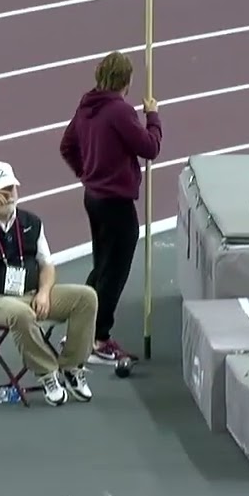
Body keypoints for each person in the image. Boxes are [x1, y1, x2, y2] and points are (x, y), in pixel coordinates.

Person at [0, 161, 97, 406]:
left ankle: (72, 367)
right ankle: (47, 373)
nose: (7, 195)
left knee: (86, 298)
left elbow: (47, 264)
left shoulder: (31, 221)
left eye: (10, 188)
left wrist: (44, 293)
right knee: (21, 313)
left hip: (31, 294)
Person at [57, 50, 162, 365]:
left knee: (102, 266)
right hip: (115, 201)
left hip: (94, 197)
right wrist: (153, 116)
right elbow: (150, 147)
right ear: (126, 81)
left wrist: (87, 173)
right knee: (113, 271)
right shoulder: (119, 111)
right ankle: (99, 339)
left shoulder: (87, 105)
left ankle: (80, 331)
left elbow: (67, 146)